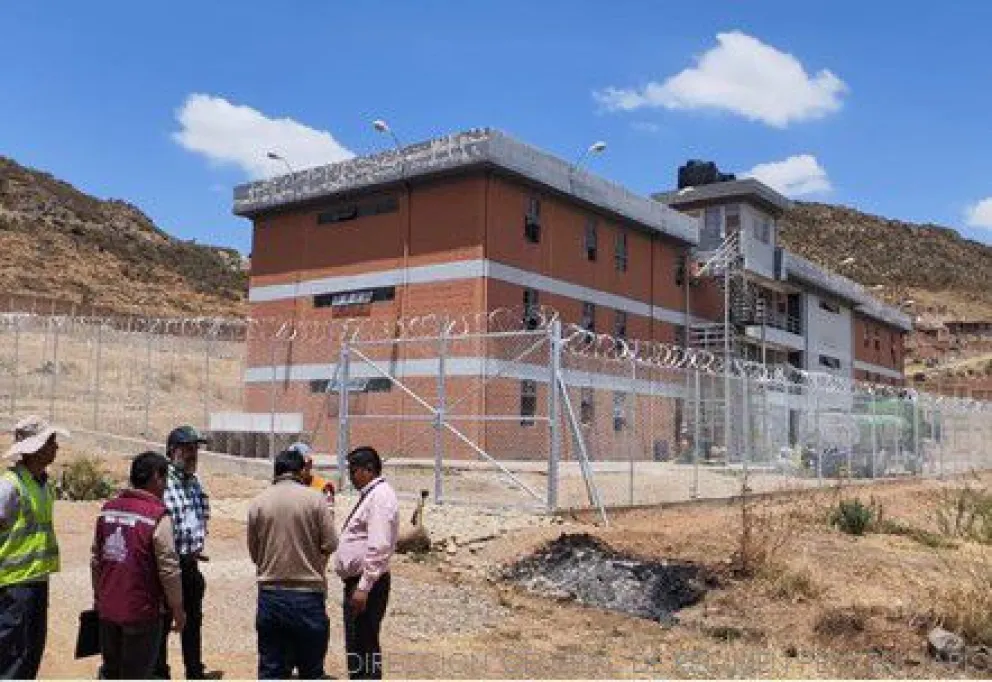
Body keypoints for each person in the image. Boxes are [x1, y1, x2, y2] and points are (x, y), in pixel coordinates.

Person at [92, 452, 185, 679]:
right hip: (142, 613)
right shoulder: (157, 516)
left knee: (111, 673)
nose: (165, 487)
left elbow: (96, 560)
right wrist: (177, 608)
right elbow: (169, 568)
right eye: (165, 479)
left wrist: (99, 598)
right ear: (156, 477)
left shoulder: (108, 510)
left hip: (108, 612)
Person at [248, 448, 338, 679]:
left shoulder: (258, 502)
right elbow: (330, 543)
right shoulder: (316, 499)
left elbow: (255, 552)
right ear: (300, 471)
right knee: (310, 670)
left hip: (271, 595)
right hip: (307, 596)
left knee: (272, 669)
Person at [0, 416, 66, 679]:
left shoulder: (41, 484)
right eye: (51, 441)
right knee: (13, 657)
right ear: (35, 448)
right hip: (14, 587)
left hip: (36, 582)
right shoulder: (9, 487)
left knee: (30, 653)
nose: (56, 447)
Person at [154, 426, 219, 680]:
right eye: (188, 449)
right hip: (167, 565)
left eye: (195, 449)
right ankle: (160, 673)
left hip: (190, 564)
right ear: (173, 452)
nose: (194, 454)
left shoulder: (194, 481)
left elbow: (202, 513)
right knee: (162, 622)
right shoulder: (161, 482)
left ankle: (194, 670)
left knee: (192, 621)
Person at [333, 446, 398, 680]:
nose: (351, 476)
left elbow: (379, 546)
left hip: (367, 583)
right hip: (361, 581)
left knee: (363, 645)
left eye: (354, 470)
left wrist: (363, 586)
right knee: (358, 645)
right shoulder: (373, 495)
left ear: (368, 470)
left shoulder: (380, 497)